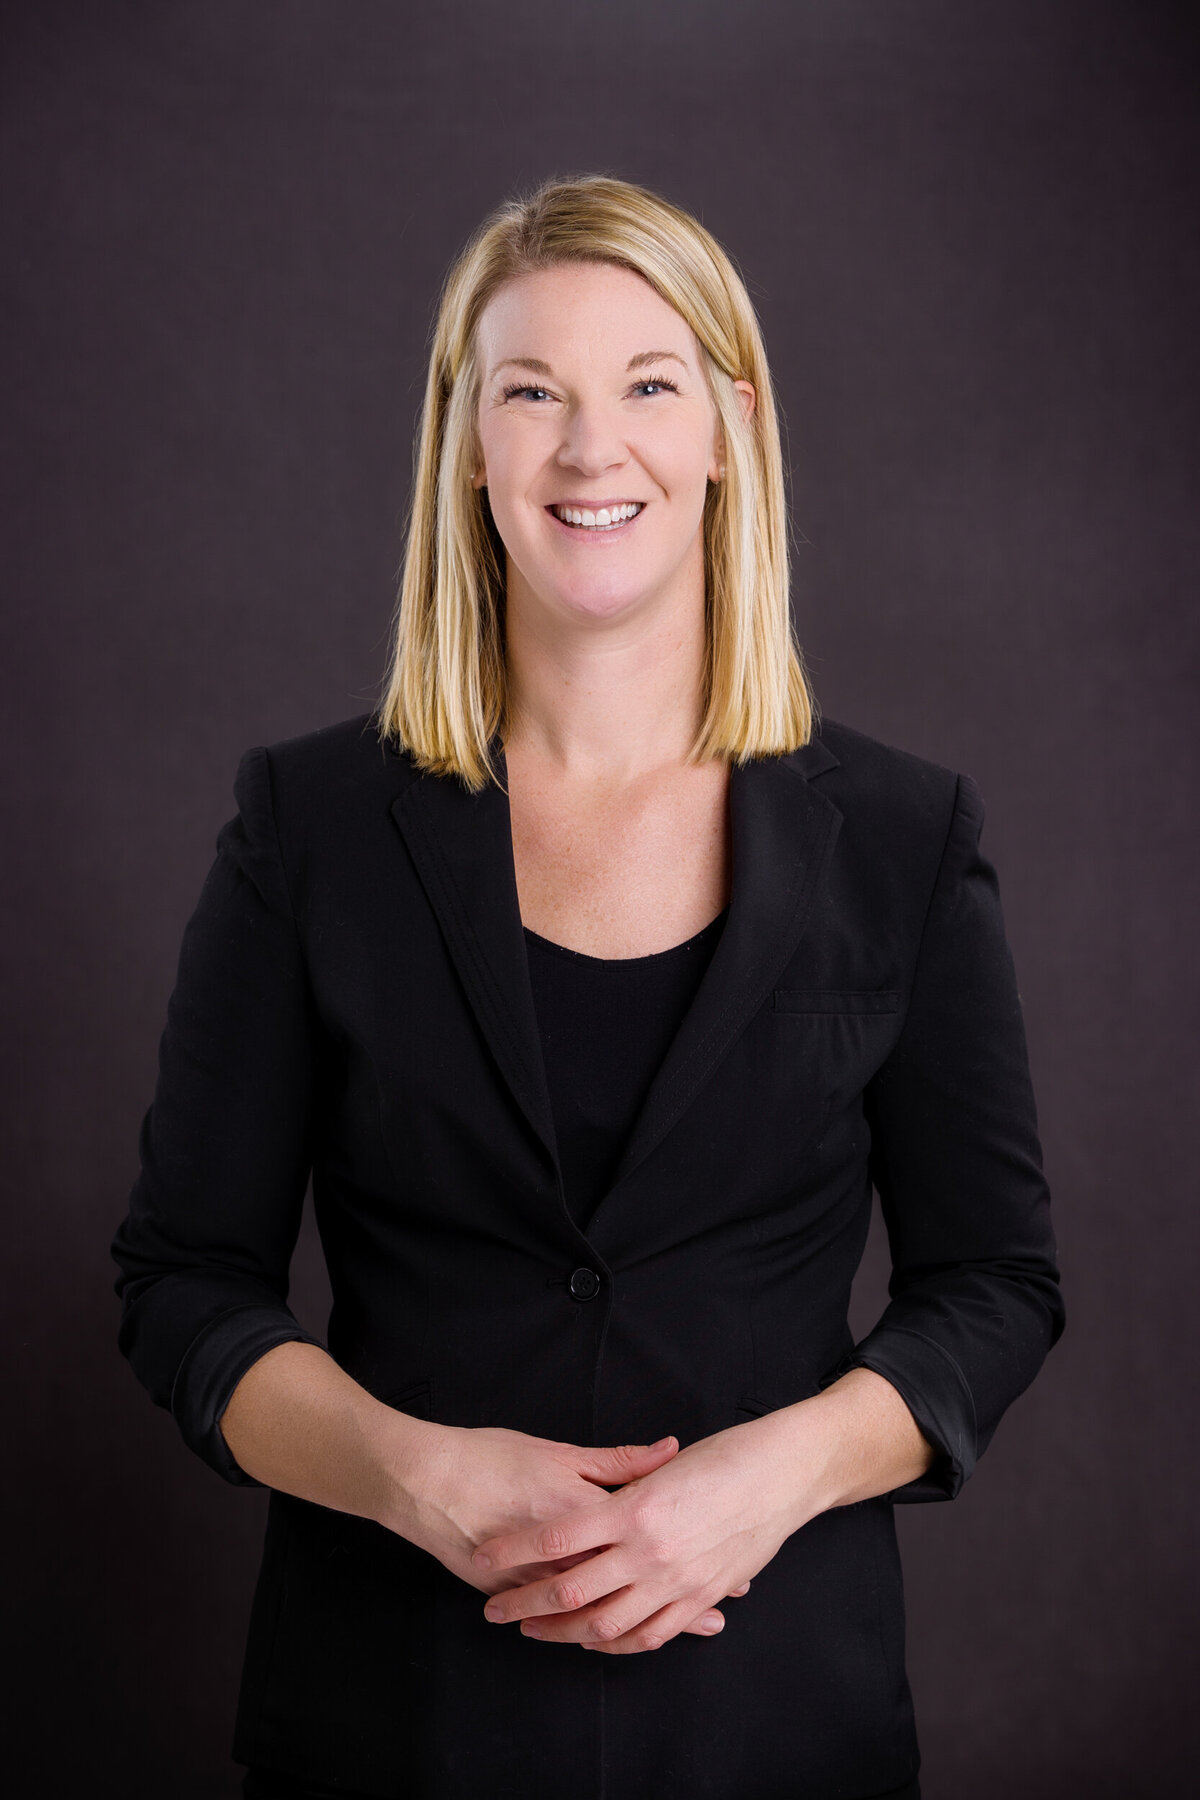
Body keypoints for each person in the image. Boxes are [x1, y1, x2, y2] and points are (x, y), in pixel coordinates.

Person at [111, 173, 1065, 1800]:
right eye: (530, 391)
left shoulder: (905, 838)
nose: (586, 446)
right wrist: (417, 1477)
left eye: (647, 384)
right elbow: (183, 1283)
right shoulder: (310, 825)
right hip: (388, 1722)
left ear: (727, 430)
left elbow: (996, 1283)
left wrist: (773, 1477)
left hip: (779, 1722)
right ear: (466, 443)